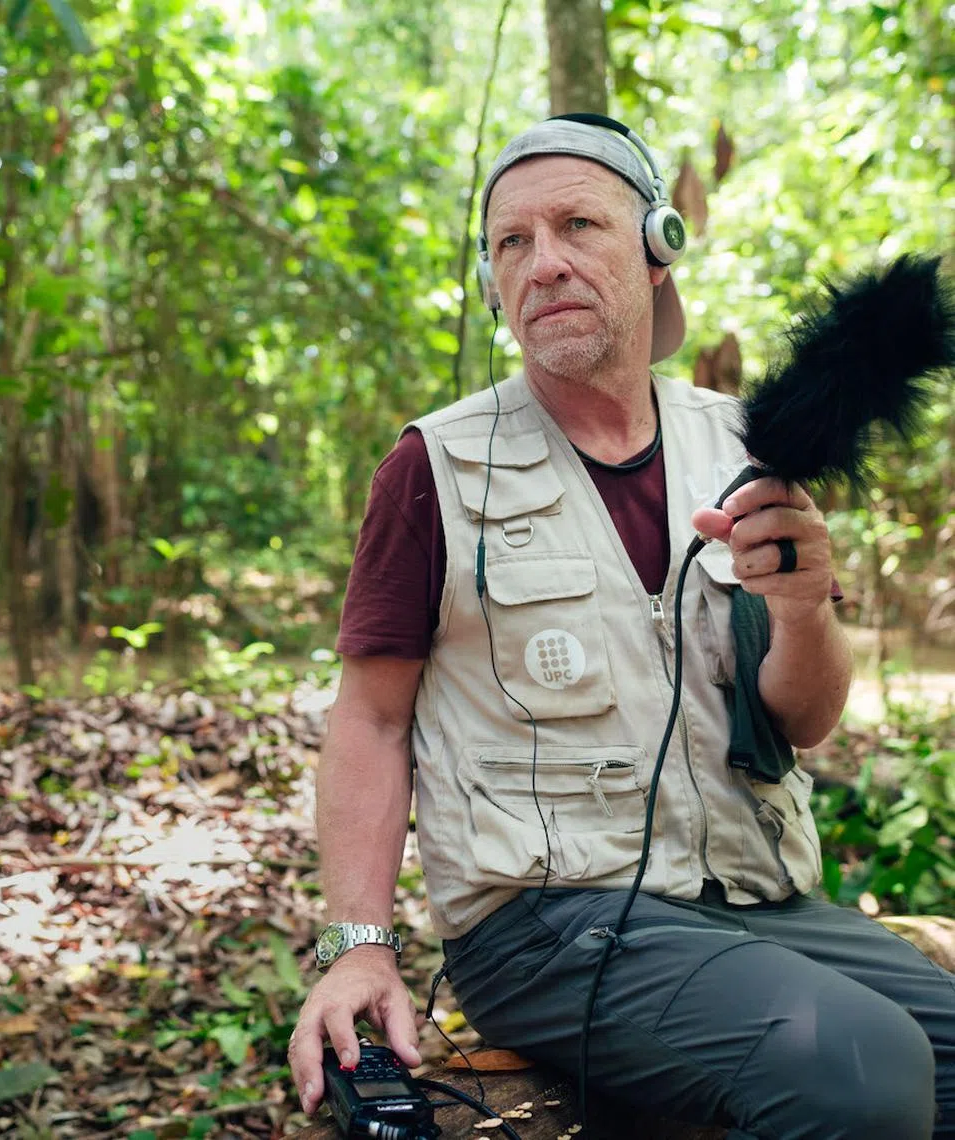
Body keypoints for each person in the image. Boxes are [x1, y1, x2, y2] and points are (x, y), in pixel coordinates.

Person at [288, 114, 955, 1138]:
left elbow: (804, 718)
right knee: (861, 1071)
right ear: (491, 281)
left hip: (753, 901)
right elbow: (371, 723)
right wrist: (357, 947)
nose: (543, 263)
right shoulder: (438, 469)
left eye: (577, 227)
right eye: (512, 242)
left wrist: (799, 607)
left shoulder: (737, 443)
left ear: (656, 248)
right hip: (550, 929)